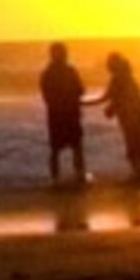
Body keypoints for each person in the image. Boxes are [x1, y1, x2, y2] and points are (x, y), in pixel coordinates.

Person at [101, 52, 140, 179]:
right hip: (138, 112)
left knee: (134, 142)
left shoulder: (119, 78)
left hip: (133, 114)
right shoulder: (125, 76)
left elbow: (114, 97)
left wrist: (110, 109)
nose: (107, 66)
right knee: (139, 143)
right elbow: (113, 97)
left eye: (109, 64)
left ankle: (139, 173)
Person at [39, 42, 88, 186]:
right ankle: (76, 176)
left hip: (57, 115)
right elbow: (81, 90)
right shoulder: (69, 71)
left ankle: (58, 179)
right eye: (63, 52)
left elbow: (47, 97)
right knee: (73, 146)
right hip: (67, 114)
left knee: (59, 148)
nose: (65, 55)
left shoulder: (47, 73)